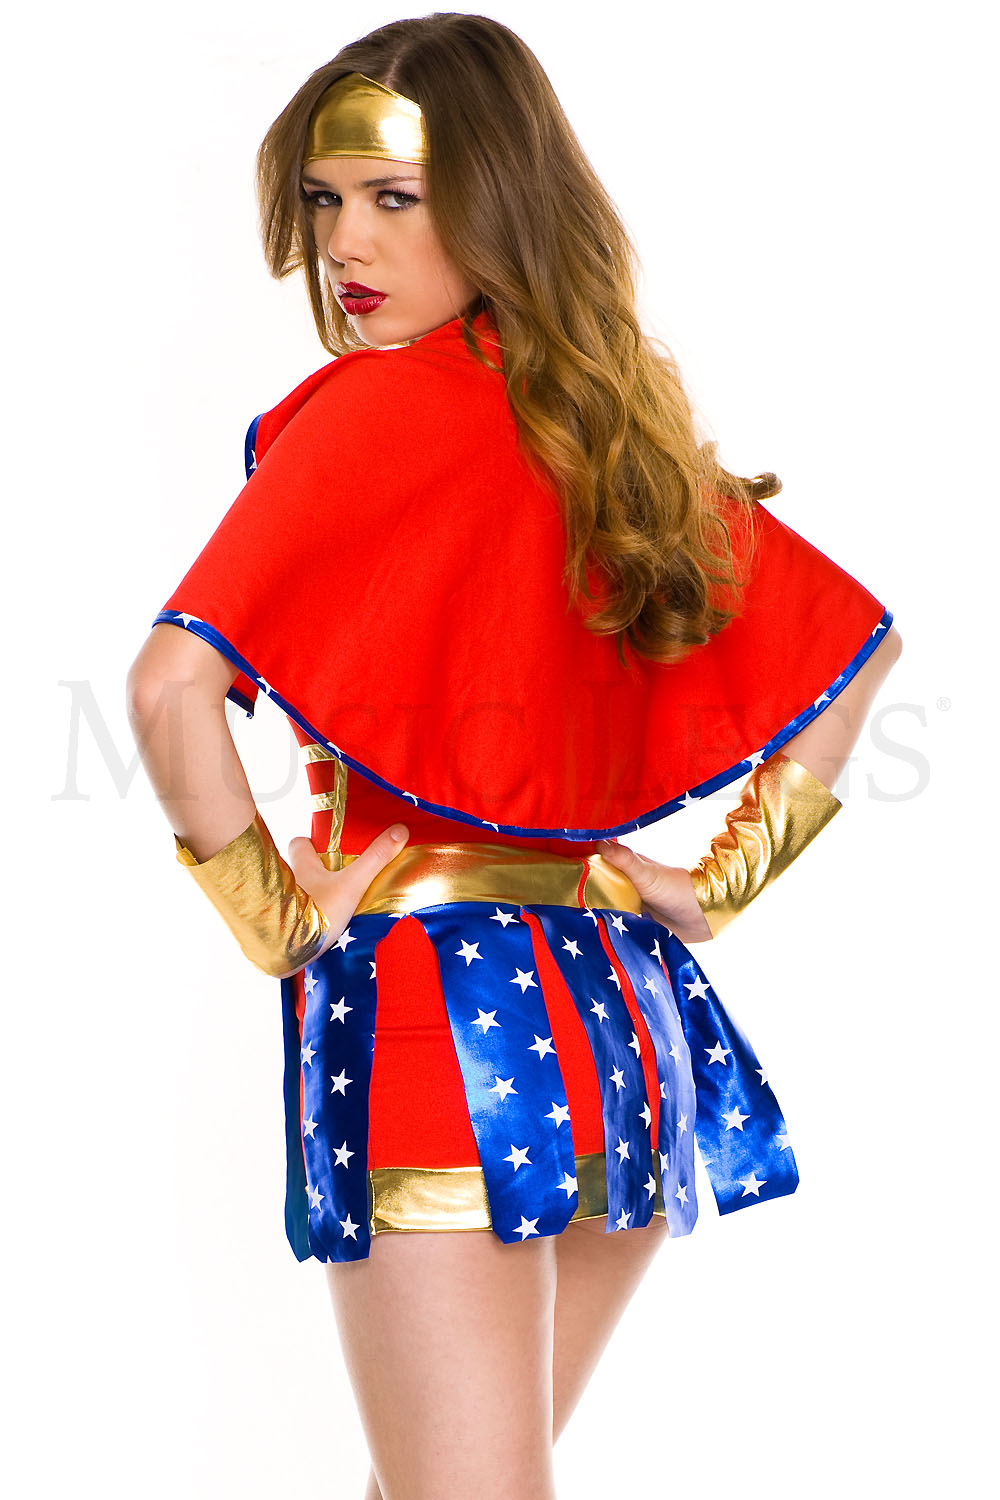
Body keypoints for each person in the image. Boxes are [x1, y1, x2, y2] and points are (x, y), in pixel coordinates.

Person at [125, 14, 902, 1499]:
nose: (343, 245)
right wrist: (718, 887)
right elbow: (855, 652)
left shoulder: (370, 411)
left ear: (493, 201)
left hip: (445, 1026)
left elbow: (171, 690)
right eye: (324, 200)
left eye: (392, 199)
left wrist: (278, 923)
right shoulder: (605, 433)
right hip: (622, 1015)